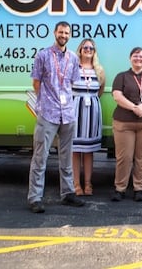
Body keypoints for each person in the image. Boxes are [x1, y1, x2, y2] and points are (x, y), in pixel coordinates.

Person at [27, 21, 85, 213]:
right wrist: (44, 102)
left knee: (66, 156)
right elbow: (36, 82)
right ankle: (35, 198)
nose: (63, 35)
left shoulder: (73, 58)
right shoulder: (43, 55)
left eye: (66, 32)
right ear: (55, 33)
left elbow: (72, 83)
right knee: (40, 157)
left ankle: (68, 193)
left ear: (70, 35)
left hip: (67, 113)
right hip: (48, 113)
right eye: (61, 32)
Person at [110, 47, 142, 202]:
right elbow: (117, 96)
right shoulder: (122, 76)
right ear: (130, 58)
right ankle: (120, 188)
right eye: (135, 56)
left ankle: (139, 188)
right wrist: (134, 107)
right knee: (124, 157)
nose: (138, 59)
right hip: (124, 123)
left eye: (141, 56)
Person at [71, 38, 105, 196]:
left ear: (94, 51)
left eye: (91, 48)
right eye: (85, 47)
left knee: (89, 150)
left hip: (92, 111)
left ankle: (88, 184)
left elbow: (101, 90)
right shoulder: (73, 67)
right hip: (74, 109)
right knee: (75, 150)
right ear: (80, 50)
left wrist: (90, 98)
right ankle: (76, 184)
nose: (88, 50)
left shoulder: (99, 70)